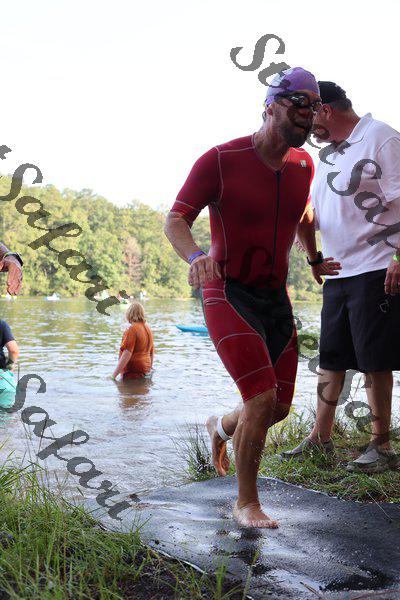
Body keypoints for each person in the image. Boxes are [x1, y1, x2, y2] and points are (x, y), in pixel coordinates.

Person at [165, 68, 340, 528]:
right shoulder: (221, 159)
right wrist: (196, 256)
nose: (309, 114)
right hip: (228, 292)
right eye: (299, 104)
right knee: (261, 400)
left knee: (278, 408)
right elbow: (176, 219)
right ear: (270, 106)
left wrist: (313, 258)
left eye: (315, 107)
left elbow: (304, 214)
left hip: (274, 296)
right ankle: (246, 503)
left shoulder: (303, 166)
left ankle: (220, 427)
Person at [281, 81, 400, 473]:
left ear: (326, 110)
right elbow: (313, 215)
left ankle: (381, 447)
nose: (306, 126)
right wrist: (313, 257)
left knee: (374, 362)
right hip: (338, 274)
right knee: (331, 359)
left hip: (376, 268)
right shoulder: (330, 155)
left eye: (309, 115)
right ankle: (320, 438)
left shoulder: (380, 138)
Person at [112, 301, 154, 380]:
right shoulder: (148, 329)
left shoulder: (132, 329)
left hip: (132, 370)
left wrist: (113, 376)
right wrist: (149, 368)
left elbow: (127, 353)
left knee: (127, 388)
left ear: (129, 314)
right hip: (146, 368)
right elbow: (151, 353)